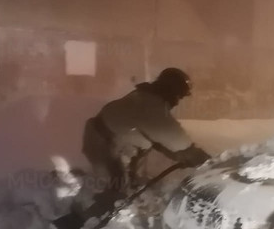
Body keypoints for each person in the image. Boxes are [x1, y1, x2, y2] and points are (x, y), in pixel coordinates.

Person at [82, 67, 211, 196]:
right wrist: (207, 162)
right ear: (171, 90)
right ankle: (98, 212)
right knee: (117, 190)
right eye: (178, 96)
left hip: (105, 142)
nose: (177, 102)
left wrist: (181, 156)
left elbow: (163, 143)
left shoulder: (146, 97)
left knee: (129, 184)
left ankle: (102, 202)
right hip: (103, 146)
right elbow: (178, 142)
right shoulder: (151, 106)